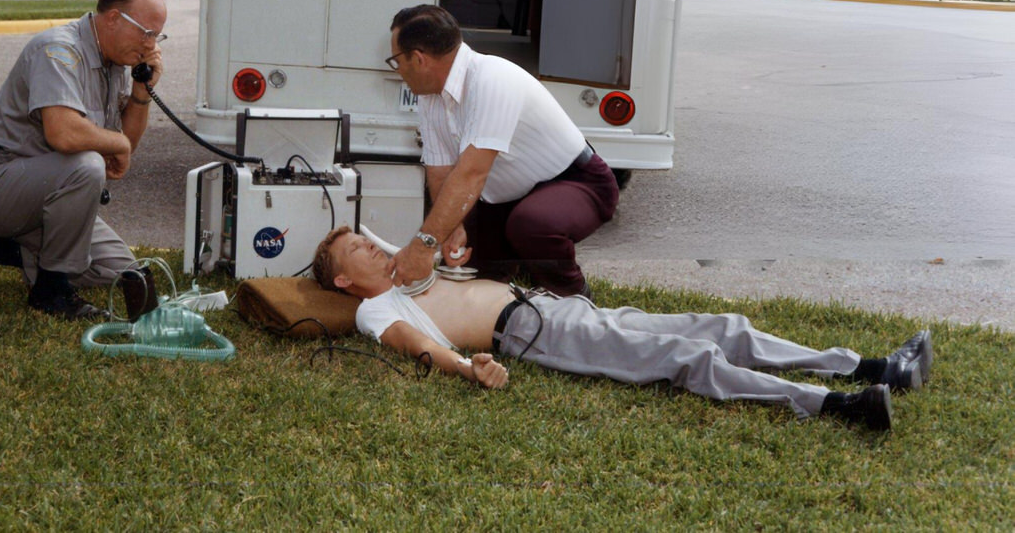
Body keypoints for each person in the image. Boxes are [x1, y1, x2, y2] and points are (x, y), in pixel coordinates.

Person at [313, 228, 933, 430]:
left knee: (722, 325)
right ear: (343, 283)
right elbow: (418, 347)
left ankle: (872, 368)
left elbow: (444, 247)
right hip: (530, 334)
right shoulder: (375, 310)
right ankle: (839, 405)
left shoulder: (408, 271)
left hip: (557, 307)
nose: (371, 247)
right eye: (356, 252)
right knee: (686, 356)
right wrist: (469, 368)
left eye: (368, 239)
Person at [0, 0, 166, 320]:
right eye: (147, 32)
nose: (152, 45)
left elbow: (121, 154)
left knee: (123, 272)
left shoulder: (119, 63)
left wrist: (141, 95)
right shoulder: (58, 50)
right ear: (113, 19)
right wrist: (118, 142)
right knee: (87, 166)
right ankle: (51, 291)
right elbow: (64, 134)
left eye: (157, 35)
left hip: (45, 192)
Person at [387, 4, 618, 296]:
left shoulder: (491, 78)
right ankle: (515, 295)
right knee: (471, 273)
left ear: (418, 59)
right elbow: (440, 170)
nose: (398, 72)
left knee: (531, 225)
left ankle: (576, 298)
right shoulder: (430, 97)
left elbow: (471, 173)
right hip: (504, 200)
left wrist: (422, 248)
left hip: (578, 182)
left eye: (397, 61)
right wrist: (451, 227)